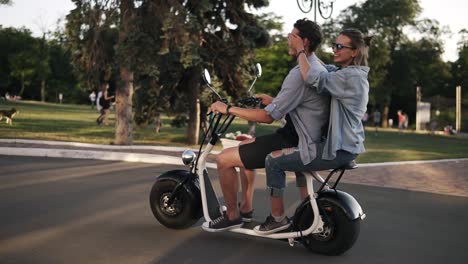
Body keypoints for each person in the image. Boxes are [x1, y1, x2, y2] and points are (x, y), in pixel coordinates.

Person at [203, 18, 330, 232]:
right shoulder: (318, 67)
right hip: (304, 136)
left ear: (304, 42)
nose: (288, 39)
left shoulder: (298, 74)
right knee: (246, 142)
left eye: (292, 35)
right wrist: (275, 102)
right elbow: (303, 106)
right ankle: (246, 207)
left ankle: (233, 216)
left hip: (292, 140)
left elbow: (266, 117)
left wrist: (228, 109)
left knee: (223, 159)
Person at [253, 28, 372, 234]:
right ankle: (309, 215)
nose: (334, 49)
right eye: (334, 45)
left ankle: (277, 219)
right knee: (300, 155)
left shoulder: (350, 78)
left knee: (273, 160)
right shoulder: (346, 74)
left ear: (354, 52)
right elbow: (322, 70)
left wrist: (301, 50)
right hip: (344, 146)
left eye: (340, 46)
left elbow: (313, 77)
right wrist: (275, 102)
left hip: (338, 149)